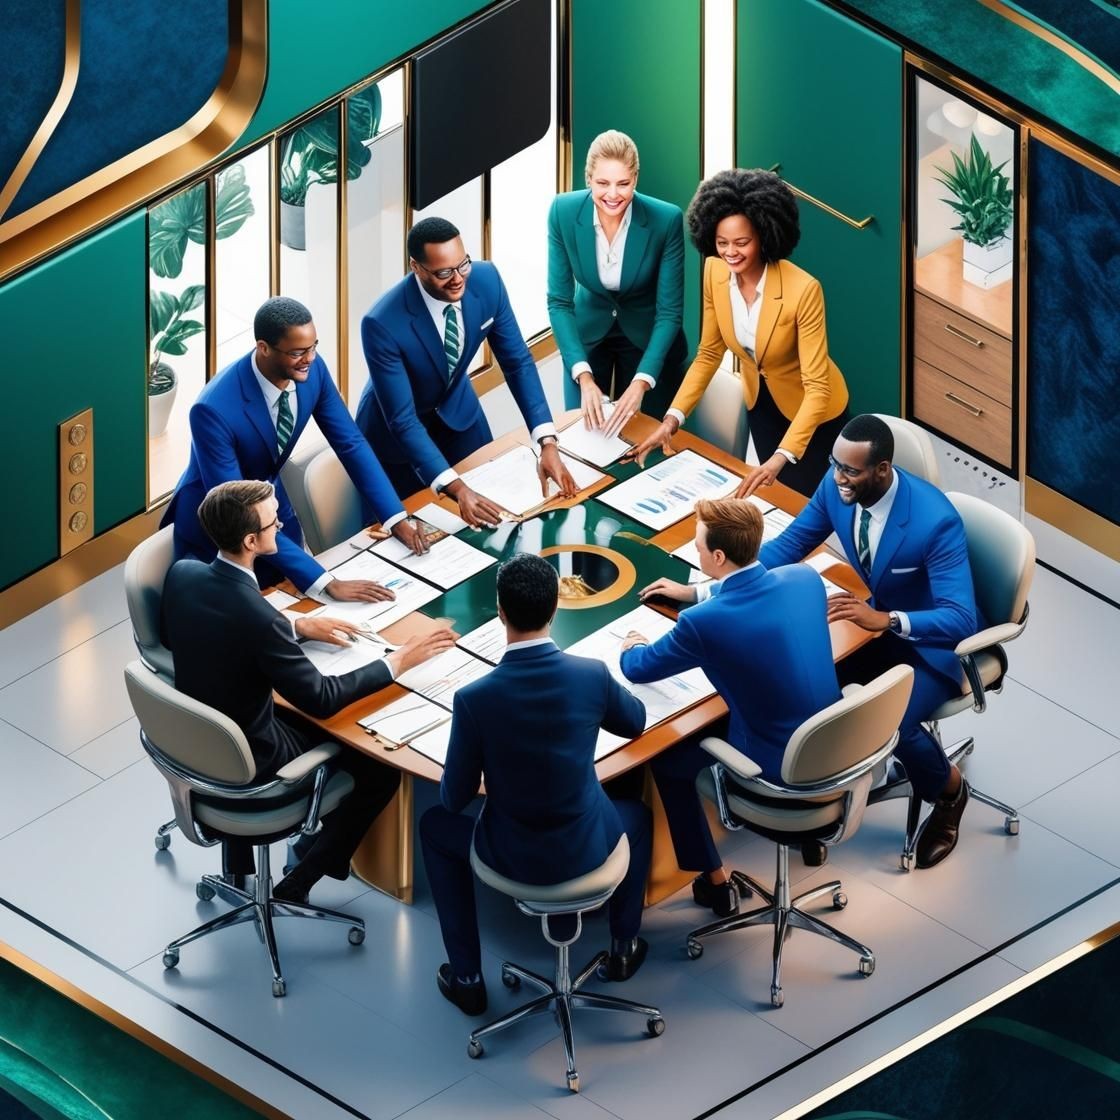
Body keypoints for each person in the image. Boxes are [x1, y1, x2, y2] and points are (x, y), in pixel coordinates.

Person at [162, 480, 457, 901]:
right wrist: (397, 662)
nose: (280, 523)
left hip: (203, 740)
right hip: (255, 761)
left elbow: (222, 627)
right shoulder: (259, 621)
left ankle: (240, 866)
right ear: (251, 541)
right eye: (272, 521)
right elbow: (321, 699)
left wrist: (296, 626)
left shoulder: (183, 575)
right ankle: (308, 875)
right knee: (378, 768)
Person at [419, 553, 651, 1016]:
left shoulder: (474, 699)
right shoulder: (591, 675)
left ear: (500, 612)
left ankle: (466, 977)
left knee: (432, 826)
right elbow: (635, 722)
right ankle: (623, 948)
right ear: (555, 611)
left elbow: (453, 798)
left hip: (512, 855)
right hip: (588, 846)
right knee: (638, 816)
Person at [758, 414, 977, 869]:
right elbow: (789, 545)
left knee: (885, 721)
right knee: (810, 688)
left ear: (882, 469)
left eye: (850, 471)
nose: (838, 477)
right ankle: (819, 806)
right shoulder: (837, 485)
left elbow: (961, 619)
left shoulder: (935, 521)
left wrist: (887, 619)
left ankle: (950, 791)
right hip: (874, 629)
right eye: (836, 465)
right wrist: (724, 580)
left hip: (930, 647)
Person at [620, 498, 841, 917]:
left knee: (668, 762)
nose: (695, 551)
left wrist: (631, 642)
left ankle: (714, 882)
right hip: (831, 747)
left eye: (699, 546)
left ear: (718, 556)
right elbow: (751, 586)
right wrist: (696, 592)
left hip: (776, 765)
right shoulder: (803, 578)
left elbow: (639, 669)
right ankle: (810, 840)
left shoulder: (704, 623)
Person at [162, 297, 427, 603]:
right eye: (298, 352)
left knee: (295, 598)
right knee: (254, 616)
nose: (310, 359)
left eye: (313, 347)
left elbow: (350, 443)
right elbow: (236, 511)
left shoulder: (312, 369)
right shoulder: (212, 410)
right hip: (219, 526)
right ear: (264, 348)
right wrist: (326, 582)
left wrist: (395, 519)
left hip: (269, 501)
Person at [631, 168, 850, 498]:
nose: (730, 252)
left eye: (741, 243)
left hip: (815, 415)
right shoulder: (714, 271)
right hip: (760, 403)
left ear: (764, 235)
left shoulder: (804, 290)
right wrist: (670, 421)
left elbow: (818, 388)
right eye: (721, 243)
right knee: (775, 499)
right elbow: (708, 354)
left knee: (810, 506)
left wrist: (782, 455)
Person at [357, 218, 576, 528]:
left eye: (463, 265)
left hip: (459, 415)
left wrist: (547, 443)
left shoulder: (487, 280)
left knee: (495, 514)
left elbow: (518, 362)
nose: (458, 279)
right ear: (416, 268)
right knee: (420, 537)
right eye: (444, 272)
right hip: (397, 440)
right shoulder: (381, 322)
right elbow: (402, 419)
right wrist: (457, 489)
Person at [547, 129, 688, 437]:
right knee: (581, 434)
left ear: (635, 179)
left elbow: (669, 313)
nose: (613, 194)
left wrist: (642, 381)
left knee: (643, 439)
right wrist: (583, 377)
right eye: (602, 183)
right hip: (589, 336)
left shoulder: (666, 220)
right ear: (588, 180)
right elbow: (559, 301)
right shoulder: (563, 212)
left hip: (648, 337)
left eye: (623, 183)